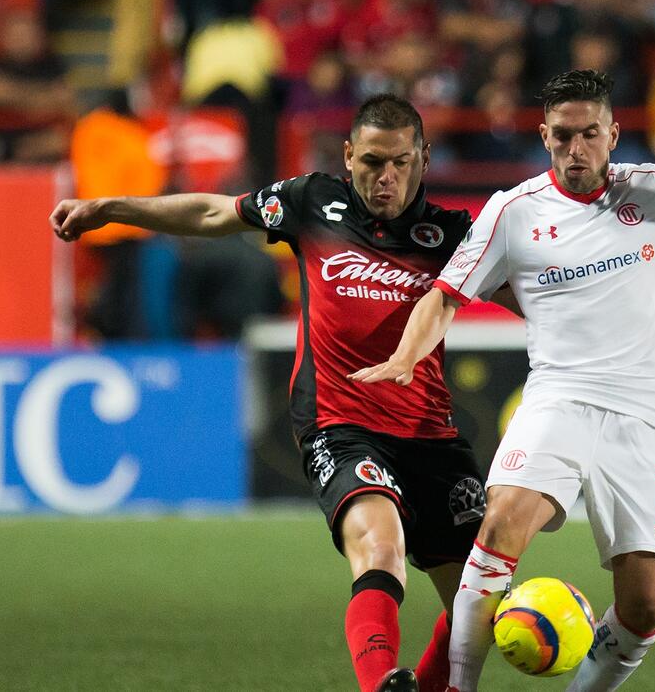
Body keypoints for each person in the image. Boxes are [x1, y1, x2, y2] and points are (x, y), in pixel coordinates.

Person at [51, 94, 499, 692]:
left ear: (423, 159)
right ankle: (378, 683)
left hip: (429, 433)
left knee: (479, 604)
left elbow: (536, 301)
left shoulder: (454, 235)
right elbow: (214, 214)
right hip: (341, 425)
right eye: (370, 162)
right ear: (347, 156)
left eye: (399, 162)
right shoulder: (313, 201)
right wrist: (113, 208)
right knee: (380, 545)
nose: (384, 177)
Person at [352, 69, 655, 691]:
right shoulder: (513, 211)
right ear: (543, 135)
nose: (574, 150)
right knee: (501, 522)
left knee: (647, 605)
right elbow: (444, 297)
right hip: (560, 397)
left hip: (647, 415)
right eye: (560, 137)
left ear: (614, 132)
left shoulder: (653, 190)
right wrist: (405, 357)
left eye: (587, 135)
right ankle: (459, 687)